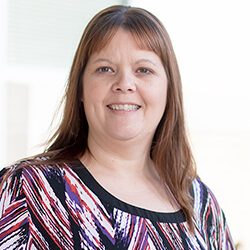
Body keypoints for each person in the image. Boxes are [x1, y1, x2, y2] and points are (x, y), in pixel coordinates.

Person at [0, 5, 235, 250]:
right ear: (80, 88)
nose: (124, 84)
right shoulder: (27, 190)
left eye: (143, 70)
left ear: (169, 89)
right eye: (105, 69)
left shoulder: (200, 203)